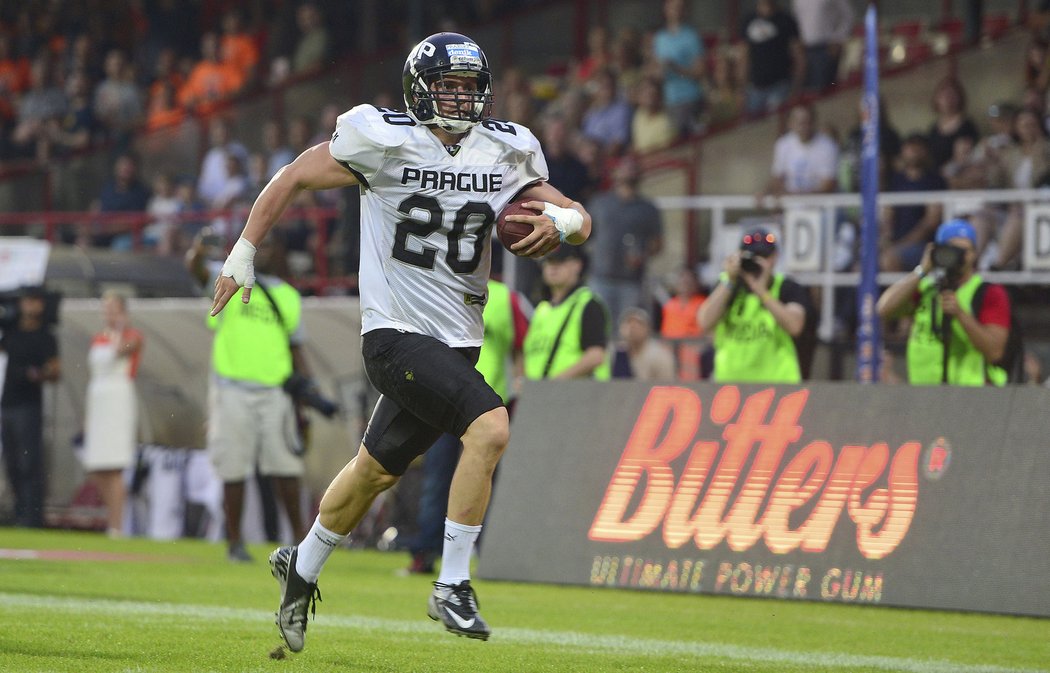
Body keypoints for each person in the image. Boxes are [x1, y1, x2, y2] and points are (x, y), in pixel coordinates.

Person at [209, 32, 590, 649]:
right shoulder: (382, 139)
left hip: (456, 342)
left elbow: (576, 214)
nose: (461, 99)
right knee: (491, 426)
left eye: (470, 87)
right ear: (419, 87)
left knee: (373, 472)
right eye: (449, 86)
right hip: (395, 335)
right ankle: (453, 583)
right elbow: (293, 176)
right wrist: (243, 252)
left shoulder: (504, 149)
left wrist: (565, 222)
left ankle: (300, 568)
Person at [188, 232, 311, 563]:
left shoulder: (288, 295)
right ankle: (234, 541)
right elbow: (196, 271)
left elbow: (295, 348)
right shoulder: (230, 282)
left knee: (286, 468)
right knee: (234, 469)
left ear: (279, 252)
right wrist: (198, 251)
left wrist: (307, 398)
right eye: (261, 245)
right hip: (232, 389)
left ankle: (303, 543)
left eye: (271, 245)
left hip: (276, 391)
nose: (265, 251)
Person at [406, 270, 530, 575]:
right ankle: (427, 553)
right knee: (440, 477)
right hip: (445, 397)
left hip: (488, 403)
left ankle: (484, 554)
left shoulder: (504, 298)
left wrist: (518, 384)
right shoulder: (442, 285)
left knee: (474, 478)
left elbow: (522, 345)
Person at [875, 219, 1012, 386]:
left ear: (975, 253)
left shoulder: (988, 293)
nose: (960, 257)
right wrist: (923, 269)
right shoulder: (925, 289)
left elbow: (995, 352)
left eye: (965, 251)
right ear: (937, 251)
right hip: (925, 395)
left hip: (972, 396)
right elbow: (884, 309)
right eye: (952, 250)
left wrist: (960, 314)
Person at [697, 228, 811, 383]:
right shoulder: (728, 284)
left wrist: (762, 292)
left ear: (775, 258)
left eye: (763, 257)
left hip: (777, 384)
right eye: (752, 256)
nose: (757, 261)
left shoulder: (786, 287)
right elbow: (704, 322)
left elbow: (794, 326)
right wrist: (730, 280)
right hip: (730, 385)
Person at [82, 291, 143, 538]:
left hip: (118, 400)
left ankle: (117, 525)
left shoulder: (133, 337)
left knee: (115, 467)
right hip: (99, 401)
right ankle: (110, 518)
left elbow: (120, 351)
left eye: (113, 310)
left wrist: (119, 327)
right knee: (98, 467)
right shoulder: (97, 338)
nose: (109, 314)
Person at [1, 286, 61, 528]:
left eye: (35, 301)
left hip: (29, 406)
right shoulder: (11, 332)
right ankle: (19, 512)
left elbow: (55, 371)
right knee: (12, 462)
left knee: (29, 462)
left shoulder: (46, 336)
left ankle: (32, 516)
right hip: (7, 404)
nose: (30, 306)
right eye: (26, 300)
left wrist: (37, 374)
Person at [585, 155, 664, 325]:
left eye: (633, 168)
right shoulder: (600, 203)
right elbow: (584, 234)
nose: (629, 172)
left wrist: (642, 255)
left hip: (631, 282)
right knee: (598, 332)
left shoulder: (648, 208)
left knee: (626, 336)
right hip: (600, 277)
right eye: (625, 167)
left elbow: (658, 244)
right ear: (615, 173)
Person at [522, 246, 609, 381]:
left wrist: (554, 383)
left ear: (577, 265)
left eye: (560, 262)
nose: (553, 267)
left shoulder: (588, 304)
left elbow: (596, 356)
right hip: (542, 397)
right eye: (548, 262)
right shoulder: (542, 310)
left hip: (577, 396)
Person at [879, 134, 947, 272]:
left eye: (918, 147)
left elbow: (931, 221)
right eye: (910, 147)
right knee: (862, 263)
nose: (913, 151)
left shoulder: (934, 180)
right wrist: (886, 240)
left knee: (889, 259)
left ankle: (903, 294)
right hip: (896, 243)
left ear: (926, 151)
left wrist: (901, 244)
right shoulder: (896, 180)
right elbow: (888, 215)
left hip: (924, 245)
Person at [651, 0, 707, 137]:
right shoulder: (660, 38)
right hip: (669, 100)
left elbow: (700, 71)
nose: (676, 11)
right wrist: (657, 73)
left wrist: (676, 68)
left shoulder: (691, 36)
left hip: (689, 99)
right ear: (666, 9)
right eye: (673, 7)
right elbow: (656, 71)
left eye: (680, 8)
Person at [740, 0, 804, 116]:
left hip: (780, 85)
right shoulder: (748, 21)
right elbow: (744, 58)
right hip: (755, 87)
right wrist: (742, 89)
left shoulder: (786, 20)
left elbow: (799, 56)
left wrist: (795, 89)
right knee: (753, 127)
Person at [791, 0, 854, 92]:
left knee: (823, 90)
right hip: (806, 49)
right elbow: (797, 20)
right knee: (806, 91)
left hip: (827, 47)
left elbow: (848, 15)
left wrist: (838, 39)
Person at [611, 307, 676, 380]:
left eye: (639, 323)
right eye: (628, 322)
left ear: (648, 328)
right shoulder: (615, 353)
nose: (633, 327)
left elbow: (666, 385)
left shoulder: (660, 356)